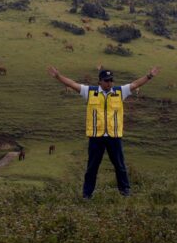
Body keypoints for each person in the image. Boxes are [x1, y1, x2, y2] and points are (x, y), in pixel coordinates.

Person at [47, 64, 161, 199]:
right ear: (99, 81)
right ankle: (86, 195)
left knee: (120, 166)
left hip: (114, 136)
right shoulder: (89, 92)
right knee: (92, 168)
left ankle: (125, 193)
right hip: (96, 137)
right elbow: (72, 84)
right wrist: (58, 76)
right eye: (106, 80)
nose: (109, 83)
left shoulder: (120, 92)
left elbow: (135, 84)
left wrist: (149, 76)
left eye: (111, 80)